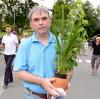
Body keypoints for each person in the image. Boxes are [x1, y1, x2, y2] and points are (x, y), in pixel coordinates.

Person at [13, 6, 73, 99]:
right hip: (33, 96)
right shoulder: (25, 45)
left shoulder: (61, 43)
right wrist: (41, 81)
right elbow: (18, 72)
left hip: (57, 96)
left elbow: (69, 68)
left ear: (50, 21)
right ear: (31, 24)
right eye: (36, 20)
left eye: (44, 18)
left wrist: (67, 80)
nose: (41, 23)